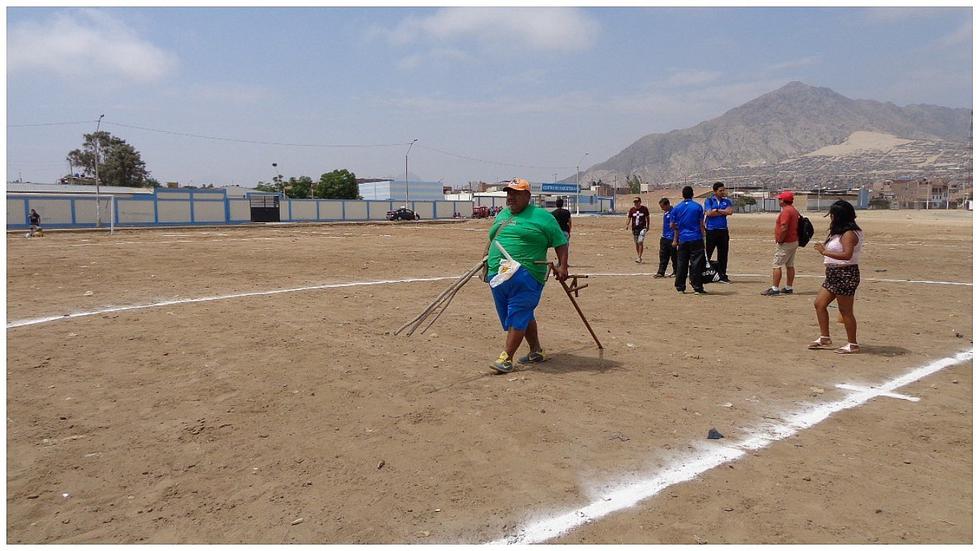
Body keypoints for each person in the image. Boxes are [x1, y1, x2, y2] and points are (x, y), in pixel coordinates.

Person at [486, 178, 569, 373]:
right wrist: (485, 259)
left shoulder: (543, 217)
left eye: (516, 193)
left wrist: (563, 266)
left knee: (519, 312)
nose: (511, 197)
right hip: (498, 275)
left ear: (527, 196)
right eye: (509, 193)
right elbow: (493, 238)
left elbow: (560, 242)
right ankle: (536, 351)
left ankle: (506, 358)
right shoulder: (502, 214)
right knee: (520, 314)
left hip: (527, 274)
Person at [810, 200, 864, 354]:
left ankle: (852, 344)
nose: (831, 217)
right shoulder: (838, 232)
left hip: (845, 274)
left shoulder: (849, 234)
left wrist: (824, 252)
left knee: (845, 311)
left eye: (832, 215)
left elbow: (847, 255)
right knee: (819, 304)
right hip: (833, 274)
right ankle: (824, 337)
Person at [762, 191, 800, 296]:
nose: (779, 200)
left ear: (783, 200)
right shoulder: (793, 210)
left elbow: (784, 227)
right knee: (790, 265)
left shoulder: (786, 211)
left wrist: (780, 239)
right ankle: (789, 287)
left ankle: (775, 288)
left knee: (777, 265)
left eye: (780, 199)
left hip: (786, 242)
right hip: (793, 240)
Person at [671, 186, 706, 294]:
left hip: (683, 239)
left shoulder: (677, 208)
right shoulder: (697, 207)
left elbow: (672, 225)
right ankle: (697, 287)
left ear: (683, 195)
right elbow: (701, 224)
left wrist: (678, 232)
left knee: (682, 263)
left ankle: (680, 287)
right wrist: (704, 238)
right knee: (696, 264)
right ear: (692, 194)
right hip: (696, 238)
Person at [703, 182, 733, 283]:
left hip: (723, 230)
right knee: (708, 253)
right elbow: (709, 213)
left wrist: (717, 210)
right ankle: (703, 272)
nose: (723, 192)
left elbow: (730, 212)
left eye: (723, 190)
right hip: (711, 230)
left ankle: (722, 274)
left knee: (723, 254)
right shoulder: (709, 200)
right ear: (715, 191)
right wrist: (723, 211)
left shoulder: (727, 201)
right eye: (720, 190)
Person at [655, 198, 677, 278]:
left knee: (674, 256)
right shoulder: (666, 212)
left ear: (667, 204)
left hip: (671, 238)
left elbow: (676, 227)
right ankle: (661, 272)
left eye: (662, 207)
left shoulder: (674, 212)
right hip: (664, 237)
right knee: (663, 255)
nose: (662, 208)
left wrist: (675, 239)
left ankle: (676, 272)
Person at [626, 197, 651, 263]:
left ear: (640, 202)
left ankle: (639, 257)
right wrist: (627, 225)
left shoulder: (644, 209)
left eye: (637, 202)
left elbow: (647, 217)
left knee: (640, 242)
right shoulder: (632, 210)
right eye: (634, 202)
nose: (635, 203)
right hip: (635, 228)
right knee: (636, 243)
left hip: (642, 228)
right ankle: (639, 256)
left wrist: (648, 226)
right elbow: (629, 217)